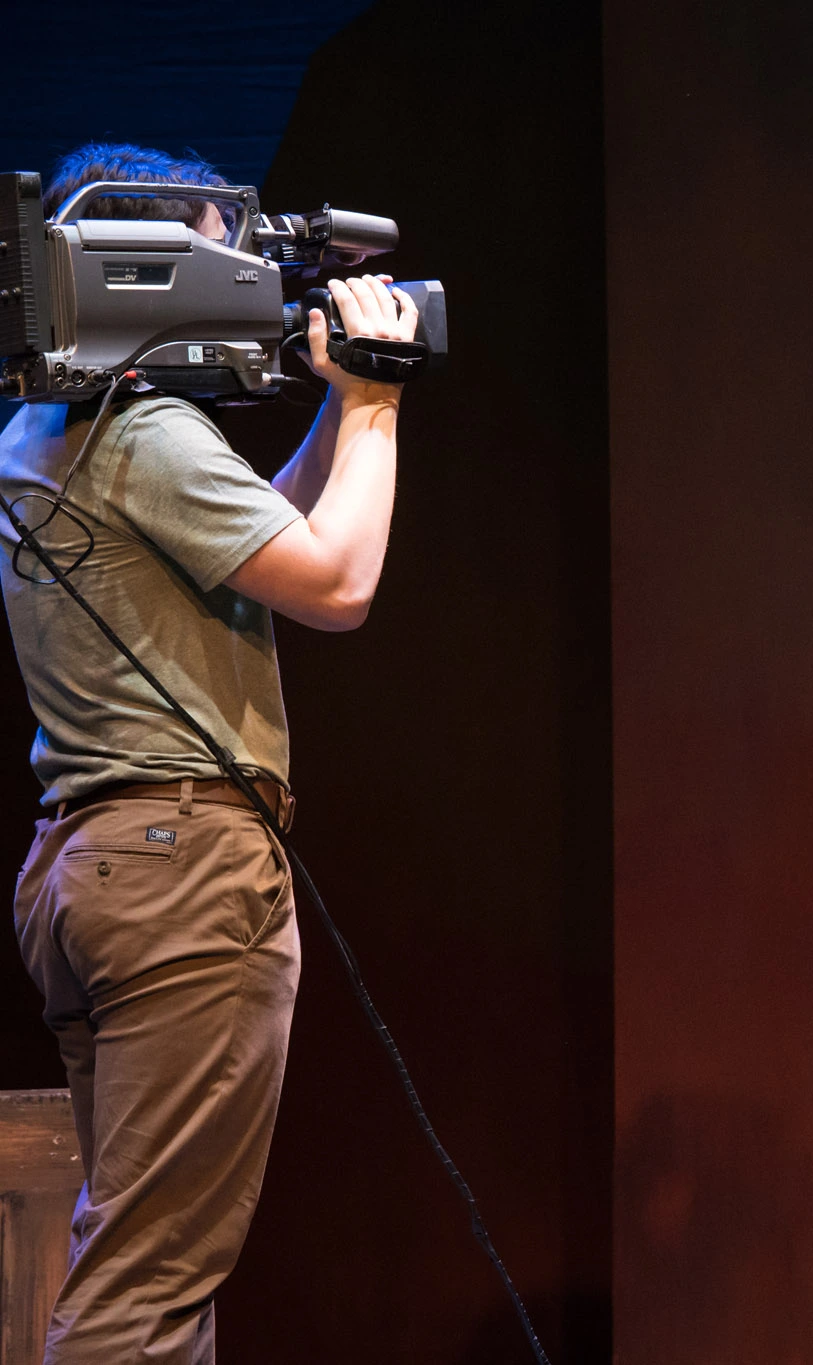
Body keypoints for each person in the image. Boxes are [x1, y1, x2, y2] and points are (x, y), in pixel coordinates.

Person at [1, 142, 417, 1364]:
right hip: (185, 875)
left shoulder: (44, 427)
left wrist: (337, 415)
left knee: (144, 1267)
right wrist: (376, 401)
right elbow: (336, 582)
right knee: (149, 1289)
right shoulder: (145, 436)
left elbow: (263, 541)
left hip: (92, 866)